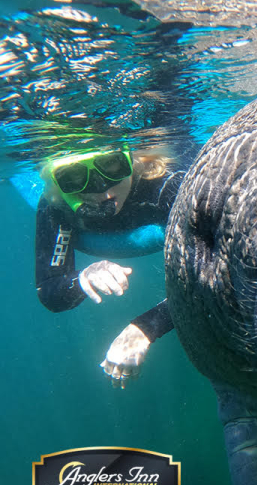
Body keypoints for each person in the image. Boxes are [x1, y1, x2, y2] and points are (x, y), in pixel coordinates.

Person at [35, 145, 185, 385]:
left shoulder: (168, 185)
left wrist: (145, 329)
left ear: (133, 161)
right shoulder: (57, 207)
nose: (101, 192)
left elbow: (212, 273)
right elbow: (50, 291)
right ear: (58, 182)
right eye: (73, 176)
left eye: (112, 165)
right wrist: (82, 278)